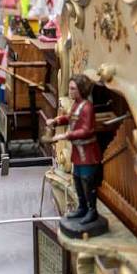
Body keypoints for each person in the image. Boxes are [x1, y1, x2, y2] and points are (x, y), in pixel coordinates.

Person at [46, 74, 102, 225]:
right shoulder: (76, 104)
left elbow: (86, 130)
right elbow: (69, 118)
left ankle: (92, 211)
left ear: (81, 90)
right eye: (70, 88)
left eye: (73, 88)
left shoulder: (87, 108)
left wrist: (65, 135)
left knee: (87, 183)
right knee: (77, 180)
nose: (69, 91)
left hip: (88, 154)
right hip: (78, 153)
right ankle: (82, 207)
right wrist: (56, 121)